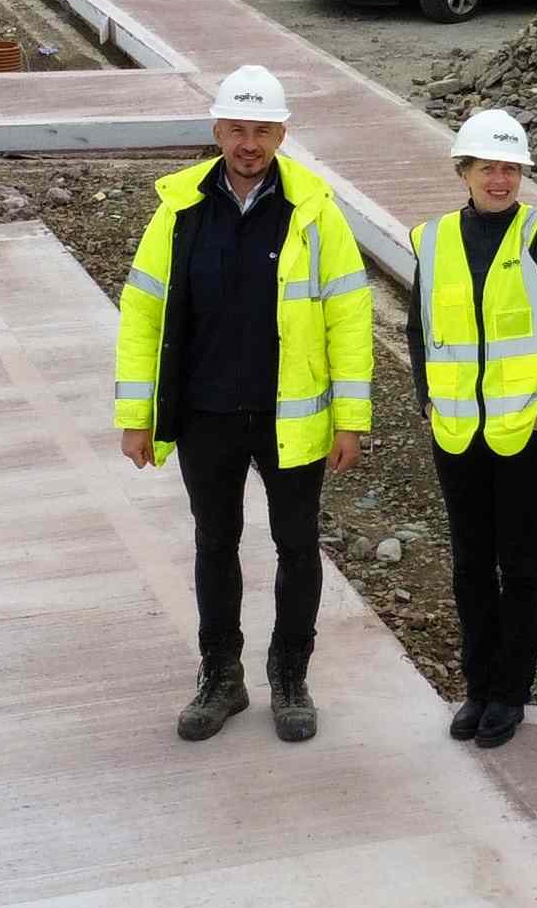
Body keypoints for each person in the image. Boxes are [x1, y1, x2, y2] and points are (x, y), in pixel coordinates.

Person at [114, 64, 372, 744]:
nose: (248, 142)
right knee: (214, 539)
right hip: (205, 413)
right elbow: (142, 313)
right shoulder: (178, 211)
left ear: (282, 132)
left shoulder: (314, 211)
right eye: (236, 128)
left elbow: (349, 316)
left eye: (261, 129)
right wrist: (135, 415)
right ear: (216, 129)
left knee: (296, 544)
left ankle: (289, 676)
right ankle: (221, 677)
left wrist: (351, 416)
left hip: (291, 416)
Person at [418, 109, 537, 749]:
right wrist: (427, 401)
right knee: (469, 564)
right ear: (463, 171)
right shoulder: (434, 239)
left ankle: (510, 694)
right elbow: (419, 326)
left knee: (519, 566)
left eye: (511, 168)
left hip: (529, 436)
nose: (500, 179)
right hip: (459, 433)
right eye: (488, 167)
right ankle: (478, 687)